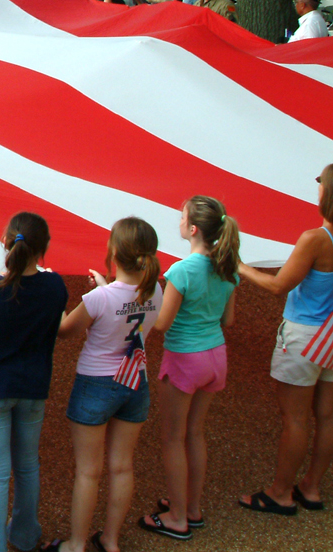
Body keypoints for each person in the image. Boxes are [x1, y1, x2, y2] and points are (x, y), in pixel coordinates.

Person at [0, 212, 68, 552]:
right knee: (27, 465)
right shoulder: (55, 286)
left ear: (6, 243)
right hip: (33, 387)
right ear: (43, 249)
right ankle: (23, 534)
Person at [50, 219, 163, 552]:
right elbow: (127, 304)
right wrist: (104, 286)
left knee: (88, 471)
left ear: (114, 251)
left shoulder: (99, 298)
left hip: (96, 384)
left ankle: (76, 543)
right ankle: (111, 540)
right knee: (122, 466)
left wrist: (60, 300)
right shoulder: (156, 290)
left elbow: (66, 329)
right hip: (135, 381)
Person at [235, 163, 333, 517]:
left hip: (305, 335)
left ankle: (280, 493)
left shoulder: (316, 239)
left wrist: (241, 267)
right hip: (332, 336)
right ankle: (311, 486)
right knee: (327, 417)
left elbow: (279, 286)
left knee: (295, 419)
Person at [141, 196, 240, 539]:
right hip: (216, 356)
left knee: (172, 438)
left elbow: (161, 324)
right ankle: (192, 507)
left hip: (185, 358)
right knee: (195, 434)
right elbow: (228, 319)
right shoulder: (228, 267)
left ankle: (177, 517)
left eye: (181, 217)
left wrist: (148, 298)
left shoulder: (181, 271)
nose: (179, 221)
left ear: (193, 229)